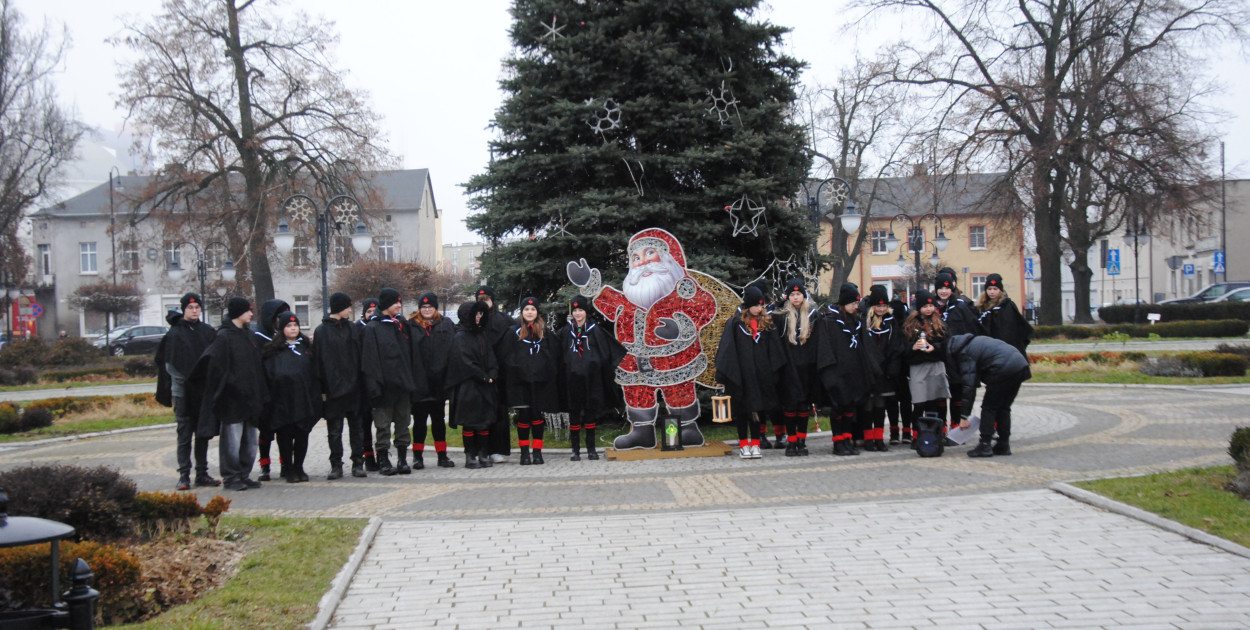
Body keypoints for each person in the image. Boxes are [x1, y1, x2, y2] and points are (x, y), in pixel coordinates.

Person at [566, 228, 718, 450]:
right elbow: (608, 302)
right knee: (638, 393)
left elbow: (705, 307)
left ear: (667, 258)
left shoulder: (683, 291)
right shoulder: (630, 298)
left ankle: (684, 430)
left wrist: (681, 327)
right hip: (635, 361)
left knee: (678, 392)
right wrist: (591, 284)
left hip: (675, 358)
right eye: (636, 258)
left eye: (649, 254)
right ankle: (641, 432)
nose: (642, 262)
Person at [188, 296, 268, 491]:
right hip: (232, 400)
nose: (251, 313)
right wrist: (229, 386)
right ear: (238, 313)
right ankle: (231, 477)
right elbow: (213, 366)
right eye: (248, 310)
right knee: (232, 441)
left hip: (250, 399)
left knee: (249, 442)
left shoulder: (249, 335)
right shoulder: (223, 337)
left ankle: (244, 474)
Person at [155, 292, 219, 491]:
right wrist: (187, 379)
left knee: (202, 434)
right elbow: (169, 363)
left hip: (202, 392)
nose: (194, 311)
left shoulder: (207, 331)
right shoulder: (175, 333)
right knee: (184, 434)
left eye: (197, 307)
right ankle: (184, 475)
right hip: (182, 392)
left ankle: (202, 473)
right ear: (183, 310)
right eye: (190, 308)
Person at [715, 286, 788, 459]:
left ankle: (755, 443)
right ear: (748, 306)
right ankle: (743, 445)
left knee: (756, 410)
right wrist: (722, 376)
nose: (759, 309)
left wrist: (773, 372)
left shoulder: (766, 324)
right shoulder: (735, 324)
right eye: (755, 305)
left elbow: (775, 351)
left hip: (760, 376)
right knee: (742, 411)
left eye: (761, 305)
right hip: (741, 376)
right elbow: (727, 350)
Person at [361, 288, 422, 476]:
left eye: (400, 302)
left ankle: (403, 459)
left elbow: (411, 355)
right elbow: (370, 361)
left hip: (402, 386)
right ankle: (384, 460)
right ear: (387, 304)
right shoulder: (373, 328)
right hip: (384, 387)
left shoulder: (401, 325)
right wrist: (375, 386)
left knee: (403, 423)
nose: (399, 305)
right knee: (383, 425)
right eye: (396, 302)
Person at [557, 295, 625, 461]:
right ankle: (575, 450)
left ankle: (591, 449)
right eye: (575, 310)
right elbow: (554, 350)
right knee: (573, 414)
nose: (578, 313)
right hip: (571, 380)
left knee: (589, 413)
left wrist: (598, 365)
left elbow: (608, 351)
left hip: (591, 380)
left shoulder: (595, 330)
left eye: (580, 310)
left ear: (586, 312)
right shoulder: (566, 331)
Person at [945, 333, 1032, 457]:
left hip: (1003, 368)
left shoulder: (965, 354)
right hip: (1020, 365)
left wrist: (964, 417)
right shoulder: (974, 342)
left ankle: (985, 445)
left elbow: (969, 387)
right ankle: (1003, 444)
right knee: (1004, 407)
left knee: (989, 408)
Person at [817, 283, 877, 456]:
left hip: (854, 372)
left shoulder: (856, 321)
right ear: (844, 303)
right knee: (839, 407)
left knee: (850, 408)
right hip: (837, 373)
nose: (855, 306)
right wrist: (830, 373)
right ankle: (838, 442)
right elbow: (825, 348)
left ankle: (847, 439)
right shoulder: (829, 321)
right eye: (852, 303)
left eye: (857, 303)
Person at [262, 311, 321, 482]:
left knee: (302, 435)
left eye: (295, 325)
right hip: (283, 402)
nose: (293, 328)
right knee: (285, 437)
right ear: (282, 329)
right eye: (289, 325)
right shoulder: (273, 350)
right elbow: (270, 373)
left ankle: (299, 467)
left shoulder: (306, 348)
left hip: (303, 400)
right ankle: (288, 468)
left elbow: (313, 373)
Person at [503, 297, 561, 465]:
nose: (530, 312)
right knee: (524, 417)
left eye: (533, 309)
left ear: (537, 312)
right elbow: (507, 356)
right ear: (522, 312)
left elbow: (553, 355)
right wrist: (517, 371)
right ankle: (524, 453)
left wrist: (546, 371)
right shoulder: (512, 332)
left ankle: (537, 452)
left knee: (537, 416)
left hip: (540, 383)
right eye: (527, 309)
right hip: (520, 383)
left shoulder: (544, 332)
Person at [313, 291, 366, 478]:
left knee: (356, 429)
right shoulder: (322, 331)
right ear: (339, 308)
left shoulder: (354, 329)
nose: (350, 310)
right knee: (334, 430)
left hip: (354, 387)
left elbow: (360, 357)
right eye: (347, 307)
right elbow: (318, 361)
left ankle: (358, 462)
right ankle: (336, 464)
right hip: (333, 389)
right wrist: (322, 389)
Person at [771, 278, 821, 457]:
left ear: (803, 295)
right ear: (788, 297)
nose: (796, 297)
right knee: (790, 406)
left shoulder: (814, 316)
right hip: (789, 370)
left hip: (807, 370)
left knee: (803, 407)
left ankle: (801, 441)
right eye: (792, 294)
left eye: (798, 294)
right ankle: (791, 441)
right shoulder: (781, 317)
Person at [448, 300, 499, 469]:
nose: (478, 317)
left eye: (480, 314)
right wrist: (483, 376)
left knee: (484, 421)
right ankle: (470, 455)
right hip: (468, 385)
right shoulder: (460, 336)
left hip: (485, 385)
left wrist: (492, 373)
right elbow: (464, 361)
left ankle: (483, 453)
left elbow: (491, 357)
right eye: (475, 314)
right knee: (470, 422)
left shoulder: (481, 334)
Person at [409, 292, 457, 469]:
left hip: (439, 382)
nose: (427, 310)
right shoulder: (412, 325)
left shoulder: (446, 324)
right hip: (419, 382)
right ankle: (417, 456)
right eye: (424, 307)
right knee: (419, 422)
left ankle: (442, 455)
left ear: (435, 308)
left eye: (430, 307)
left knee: (438, 421)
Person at [934, 271, 982, 431]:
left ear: (952, 289)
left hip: (957, 357)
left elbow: (972, 330)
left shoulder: (961, 307)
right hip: (938, 357)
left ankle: (956, 427)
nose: (944, 291)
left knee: (957, 394)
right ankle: (940, 427)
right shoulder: (931, 308)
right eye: (940, 288)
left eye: (947, 288)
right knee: (939, 395)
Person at [860, 285, 906, 452]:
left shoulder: (891, 322)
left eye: (883, 306)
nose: (881, 309)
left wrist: (892, 366)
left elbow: (896, 345)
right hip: (870, 370)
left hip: (885, 371)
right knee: (868, 405)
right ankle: (868, 438)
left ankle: (879, 437)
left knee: (880, 405)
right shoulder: (864, 321)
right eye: (878, 306)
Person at [475, 286, 518, 463]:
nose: (483, 302)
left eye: (486, 299)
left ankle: (497, 449)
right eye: (480, 299)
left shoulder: (505, 320)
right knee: (480, 413)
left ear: (493, 300)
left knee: (500, 412)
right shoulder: (474, 318)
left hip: (500, 373)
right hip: (478, 373)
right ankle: (480, 449)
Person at [252, 298, 290, 481]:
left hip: (281, 391)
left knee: (284, 432)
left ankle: (285, 464)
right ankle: (265, 465)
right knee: (266, 432)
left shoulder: (282, 337)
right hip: (266, 390)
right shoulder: (259, 337)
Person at [903, 290, 950, 431]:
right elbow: (902, 349)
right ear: (919, 308)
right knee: (919, 402)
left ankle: (937, 432)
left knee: (937, 401)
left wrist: (934, 348)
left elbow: (947, 344)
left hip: (936, 364)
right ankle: (917, 434)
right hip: (918, 366)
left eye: (931, 306)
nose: (929, 309)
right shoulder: (910, 325)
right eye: (925, 306)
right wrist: (913, 347)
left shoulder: (940, 324)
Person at [976, 273, 1033, 357]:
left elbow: (1012, 329)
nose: (992, 292)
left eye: (995, 289)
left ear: (1000, 290)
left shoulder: (1007, 306)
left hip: (1005, 349)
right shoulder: (982, 307)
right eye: (989, 289)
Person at [357, 297, 381, 471]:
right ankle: (368, 455)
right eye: (368, 311)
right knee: (364, 424)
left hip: (379, 382)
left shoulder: (381, 327)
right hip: (362, 385)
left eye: (374, 311)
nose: (371, 315)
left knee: (381, 422)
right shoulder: (357, 329)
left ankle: (382, 454)